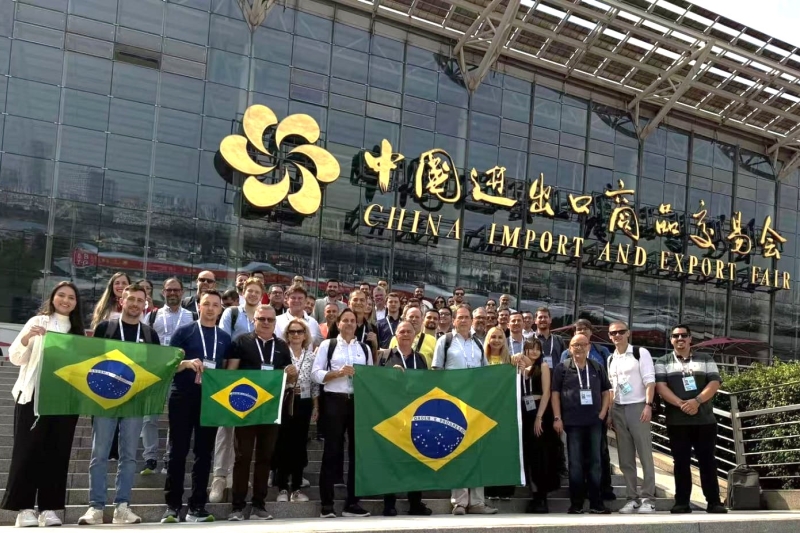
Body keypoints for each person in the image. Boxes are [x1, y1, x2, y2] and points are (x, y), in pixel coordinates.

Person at [2, 282, 85, 527]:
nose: (66, 300)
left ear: (76, 303)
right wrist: (27, 338)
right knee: (27, 452)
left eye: (71, 297)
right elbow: (16, 358)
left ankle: (49, 508)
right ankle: (23, 509)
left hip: (64, 400)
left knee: (57, 454)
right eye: (61, 295)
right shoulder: (37, 322)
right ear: (53, 298)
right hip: (33, 396)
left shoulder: (78, 331)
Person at [79, 284, 161, 525]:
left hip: (134, 401)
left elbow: (157, 366)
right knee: (100, 453)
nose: (135, 304)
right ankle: (95, 507)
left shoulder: (149, 334)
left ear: (145, 304)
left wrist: (184, 363)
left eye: (140, 300)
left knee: (128, 456)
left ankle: (122, 506)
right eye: (131, 299)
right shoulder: (106, 327)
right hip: (105, 399)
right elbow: (92, 361)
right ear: (122, 301)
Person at [162, 290, 230, 523]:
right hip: (182, 396)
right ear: (198, 306)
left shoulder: (224, 337)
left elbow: (227, 371)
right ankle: (172, 506)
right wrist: (186, 363)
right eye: (206, 304)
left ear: (220, 309)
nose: (210, 308)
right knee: (177, 451)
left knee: (204, 453)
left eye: (215, 305)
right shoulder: (184, 332)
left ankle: (197, 506)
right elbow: (168, 365)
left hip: (210, 400)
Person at [226, 305, 295, 521]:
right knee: (242, 457)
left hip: (271, 409)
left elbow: (288, 380)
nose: (266, 323)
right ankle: (237, 506)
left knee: (265, 457)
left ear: (275, 323)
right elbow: (230, 374)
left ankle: (259, 505)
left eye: (270, 320)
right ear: (254, 319)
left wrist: (292, 374)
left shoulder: (282, 346)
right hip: (245, 408)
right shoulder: (241, 342)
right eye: (261, 319)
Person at [431, 305, 496, 515]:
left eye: (467, 317)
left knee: (477, 453)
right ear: (454, 320)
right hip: (453, 406)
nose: (464, 320)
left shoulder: (479, 343)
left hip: (475, 406)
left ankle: (477, 502)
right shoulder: (445, 341)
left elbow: (486, 374)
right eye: (460, 317)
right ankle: (459, 502)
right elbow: (436, 372)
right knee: (457, 451)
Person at [655, 325, 726, 514]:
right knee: (681, 463)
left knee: (708, 461)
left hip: (704, 420)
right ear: (671, 340)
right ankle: (682, 502)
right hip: (677, 422)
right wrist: (682, 404)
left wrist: (696, 401)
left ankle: (714, 502)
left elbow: (714, 382)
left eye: (683, 335)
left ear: (690, 339)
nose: (680, 339)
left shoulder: (705, 359)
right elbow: (661, 387)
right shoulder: (662, 361)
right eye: (675, 336)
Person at [312, 309, 374, 518]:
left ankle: (352, 503)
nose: (349, 324)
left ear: (357, 324)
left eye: (352, 321)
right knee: (332, 451)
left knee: (357, 454)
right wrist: (338, 373)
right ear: (338, 324)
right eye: (345, 320)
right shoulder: (327, 346)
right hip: (333, 401)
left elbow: (371, 378)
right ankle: (327, 505)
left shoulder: (364, 349)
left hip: (357, 402)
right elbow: (315, 374)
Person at [551, 334, 612, 515]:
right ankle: (576, 504)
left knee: (595, 462)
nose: (579, 348)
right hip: (572, 422)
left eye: (583, 344)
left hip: (594, 422)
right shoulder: (562, 368)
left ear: (589, 346)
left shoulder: (597, 367)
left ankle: (596, 503)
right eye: (575, 345)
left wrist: (602, 414)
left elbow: (606, 392)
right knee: (575, 463)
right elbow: (555, 394)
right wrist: (557, 417)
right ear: (569, 348)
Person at [378, 321, 433, 517]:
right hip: (392, 415)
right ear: (396, 335)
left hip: (416, 416)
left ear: (415, 334)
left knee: (415, 460)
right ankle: (389, 503)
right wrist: (388, 376)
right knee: (391, 460)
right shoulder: (385, 356)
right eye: (402, 331)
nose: (406, 334)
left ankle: (415, 503)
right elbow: (374, 383)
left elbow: (427, 386)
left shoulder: (421, 359)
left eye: (409, 331)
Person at [141, 278, 194, 476]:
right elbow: (144, 344)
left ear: (182, 293)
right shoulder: (152, 317)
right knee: (149, 417)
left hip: (181, 372)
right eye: (169, 290)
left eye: (176, 290)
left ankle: (168, 459)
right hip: (156, 373)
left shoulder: (191, 316)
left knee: (176, 419)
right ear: (163, 292)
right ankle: (150, 458)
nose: (173, 293)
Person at [607, 321, 657, 514]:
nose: (617, 335)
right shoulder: (611, 358)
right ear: (609, 336)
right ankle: (632, 498)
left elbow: (650, 381)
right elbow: (612, 388)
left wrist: (648, 405)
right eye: (613, 333)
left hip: (638, 407)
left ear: (628, 333)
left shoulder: (640, 352)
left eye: (620, 332)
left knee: (644, 454)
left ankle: (649, 498)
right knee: (625, 458)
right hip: (618, 408)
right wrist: (611, 412)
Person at [274, 319, 318, 504]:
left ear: (305, 334)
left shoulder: (311, 356)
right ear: (287, 334)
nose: (296, 335)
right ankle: (282, 487)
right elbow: (274, 376)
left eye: (299, 331)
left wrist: (317, 405)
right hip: (285, 401)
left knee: (300, 444)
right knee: (283, 443)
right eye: (292, 331)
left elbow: (315, 383)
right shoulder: (281, 353)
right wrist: (286, 378)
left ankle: (297, 488)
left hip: (304, 402)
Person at [521, 338, 560, 514]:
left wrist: (539, 417)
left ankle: (542, 497)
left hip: (539, 412)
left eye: (537, 349)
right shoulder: (521, 368)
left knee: (540, 456)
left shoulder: (543, 366)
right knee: (529, 455)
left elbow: (546, 393)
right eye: (531, 349)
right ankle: (534, 495)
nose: (534, 352)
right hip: (524, 413)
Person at [482, 326, 514, 502]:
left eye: (500, 337)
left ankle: (505, 489)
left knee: (503, 450)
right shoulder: (481, 359)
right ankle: (489, 489)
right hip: (485, 411)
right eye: (493, 337)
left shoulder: (510, 360)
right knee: (488, 451)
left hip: (504, 411)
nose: (496, 340)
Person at [347, 289, 378, 362]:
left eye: (362, 300)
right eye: (355, 299)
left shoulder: (372, 328)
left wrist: (375, 345)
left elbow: (375, 359)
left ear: (366, 303)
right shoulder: (339, 325)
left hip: (363, 370)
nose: (358, 302)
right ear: (349, 303)